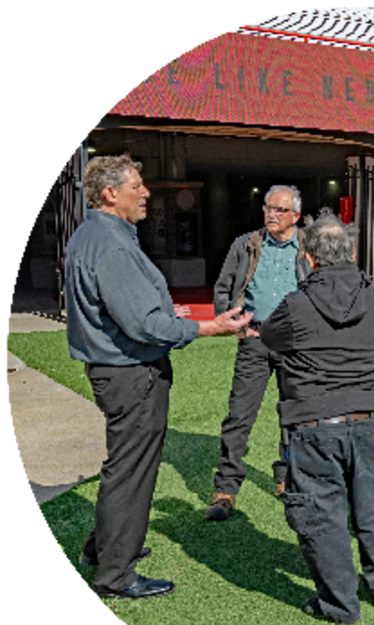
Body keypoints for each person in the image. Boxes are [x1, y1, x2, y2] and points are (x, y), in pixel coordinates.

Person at [64, 154, 252, 600]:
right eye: (137, 186)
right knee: (131, 472)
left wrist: (170, 313)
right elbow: (145, 324)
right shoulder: (111, 245)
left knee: (121, 467)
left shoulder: (89, 235)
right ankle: (115, 575)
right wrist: (209, 326)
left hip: (116, 370)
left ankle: (104, 549)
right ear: (111, 194)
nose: (146, 192)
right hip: (131, 373)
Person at [260, 210, 374, 625]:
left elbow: (270, 338)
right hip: (363, 416)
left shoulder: (297, 304)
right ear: (352, 251)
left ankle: (340, 602)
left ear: (307, 255)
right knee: (372, 503)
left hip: (313, 421)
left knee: (322, 512)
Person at [207, 186, 312, 520]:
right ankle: (226, 488)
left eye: (280, 210)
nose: (271, 214)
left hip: (294, 343)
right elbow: (223, 287)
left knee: (293, 413)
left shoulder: (310, 245)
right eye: (268, 207)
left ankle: (287, 477)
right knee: (239, 414)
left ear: (295, 215)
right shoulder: (246, 244)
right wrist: (236, 324)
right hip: (254, 339)